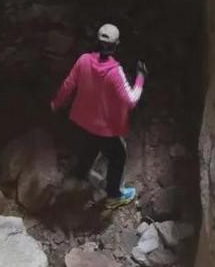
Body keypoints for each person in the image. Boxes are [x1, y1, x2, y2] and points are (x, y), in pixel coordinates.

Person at [51, 23, 148, 209]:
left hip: (83, 120)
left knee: (89, 145)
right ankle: (114, 195)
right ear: (116, 44)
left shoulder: (83, 60)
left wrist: (56, 103)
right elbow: (131, 100)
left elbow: (68, 85)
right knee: (118, 155)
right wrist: (140, 78)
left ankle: (80, 174)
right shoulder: (114, 72)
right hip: (106, 128)